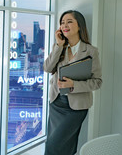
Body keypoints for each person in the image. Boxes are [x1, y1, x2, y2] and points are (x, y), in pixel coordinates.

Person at [44, 10, 102, 155]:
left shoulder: (90, 51)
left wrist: (73, 85)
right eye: (62, 22)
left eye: (69, 21)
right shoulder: (59, 47)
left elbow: (97, 82)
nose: (65, 25)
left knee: (54, 144)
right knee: (62, 144)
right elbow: (47, 68)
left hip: (76, 108)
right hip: (57, 103)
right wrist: (58, 46)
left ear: (79, 26)